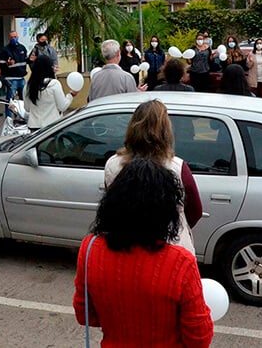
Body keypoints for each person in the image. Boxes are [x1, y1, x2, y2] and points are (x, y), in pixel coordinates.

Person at [74, 159, 214, 346]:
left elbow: (85, 315)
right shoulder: (181, 262)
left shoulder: (90, 248)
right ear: (166, 212)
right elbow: (199, 338)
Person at [104, 99, 202, 252]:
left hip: (127, 245)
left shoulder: (113, 164)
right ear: (166, 131)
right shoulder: (177, 167)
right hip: (172, 246)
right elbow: (195, 212)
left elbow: (109, 206)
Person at [22, 56, 77, 131]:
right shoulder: (54, 84)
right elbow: (62, 106)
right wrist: (70, 95)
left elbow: (27, 108)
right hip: (52, 127)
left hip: (34, 127)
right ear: (49, 68)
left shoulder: (28, 86)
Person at [0, 30, 29, 117]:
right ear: (9, 38)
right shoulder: (5, 50)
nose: (13, 39)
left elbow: (26, 61)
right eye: (11, 37)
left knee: (23, 99)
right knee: (10, 100)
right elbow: (1, 65)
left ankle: (23, 116)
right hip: (11, 79)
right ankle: (9, 118)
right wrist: (7, 64)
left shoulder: (22, 48)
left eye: (15, 37)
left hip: (21, 78)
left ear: (18, 37)